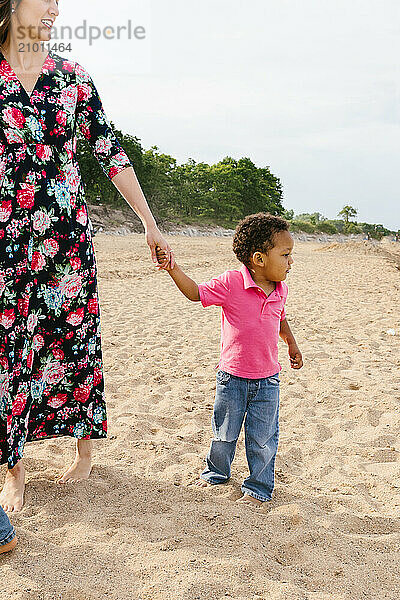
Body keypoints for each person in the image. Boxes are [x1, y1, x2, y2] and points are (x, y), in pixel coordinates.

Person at [0, 0, 173, 512]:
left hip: (67, 239)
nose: (56, 7)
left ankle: (84, 453)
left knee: (72, 339)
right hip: (7, 240)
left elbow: (109, 150)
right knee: (10, 347)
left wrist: (148, 221)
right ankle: (14, 469)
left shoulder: (73, 77)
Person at [156, 213, 303, 507]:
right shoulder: (231, 282)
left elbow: (280, 318)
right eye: (285, 255)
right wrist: (173, 269)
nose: (290, 262)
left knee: (263, 439)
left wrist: (291, 343)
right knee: (224, 433)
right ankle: (216, 473)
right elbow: (196, 293)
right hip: (232, 378)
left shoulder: (281, 289)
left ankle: (259, 486)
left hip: (268, 380)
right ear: (259, 258)